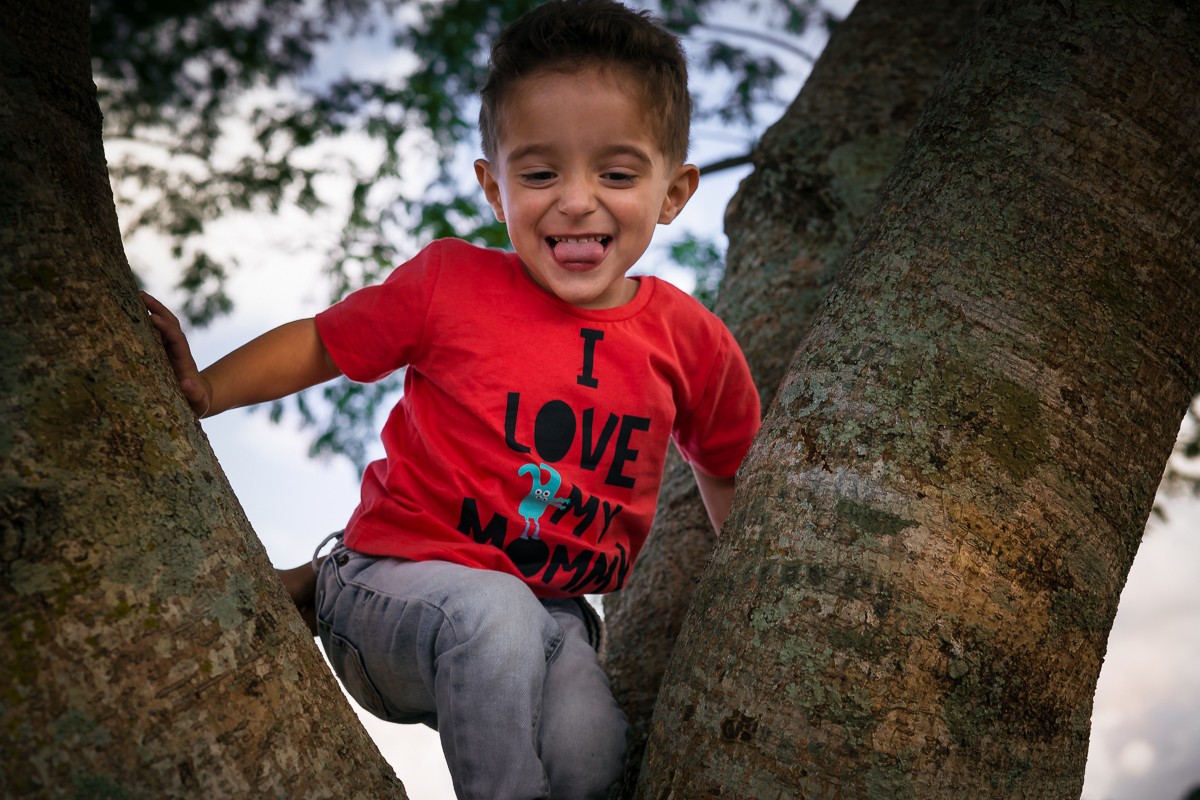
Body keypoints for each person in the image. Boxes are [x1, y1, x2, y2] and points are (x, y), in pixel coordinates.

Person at [143, 1, 760, 797]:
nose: (576, 199)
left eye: (616, 173)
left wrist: (749, 594)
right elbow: (321, 342)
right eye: (540, 173)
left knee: (591, 750)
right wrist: (207, 389)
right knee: (491, 613)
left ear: (673, 191)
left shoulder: (690, 339)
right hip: (394, 589)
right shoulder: (451, 283)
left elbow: (728, 467)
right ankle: (325, 580)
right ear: (494, 188)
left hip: (556, 613)